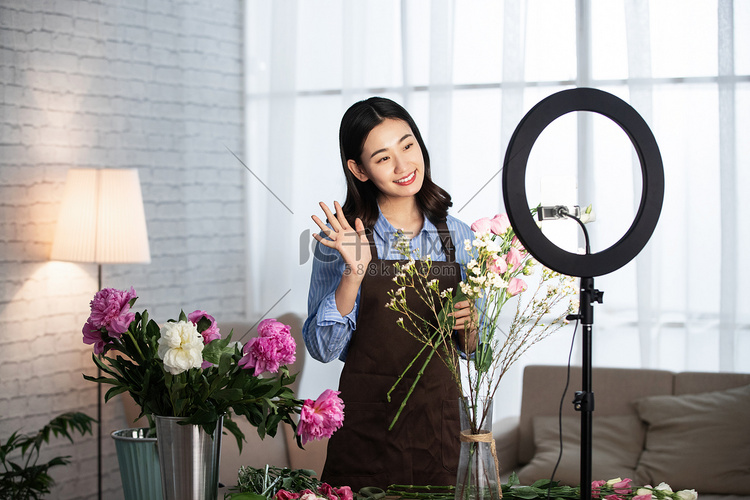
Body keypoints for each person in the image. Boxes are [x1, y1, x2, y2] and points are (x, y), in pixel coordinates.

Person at [302, 97, 476, 491]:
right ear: (358, 170)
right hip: (368, 428)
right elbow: (323, 348)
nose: (403, 166)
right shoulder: (341, 239)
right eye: (382, 158)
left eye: (408, 145)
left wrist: (471, 325)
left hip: (441, 428)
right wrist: (353, 272)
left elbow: (476, 353)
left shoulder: (460, 236)